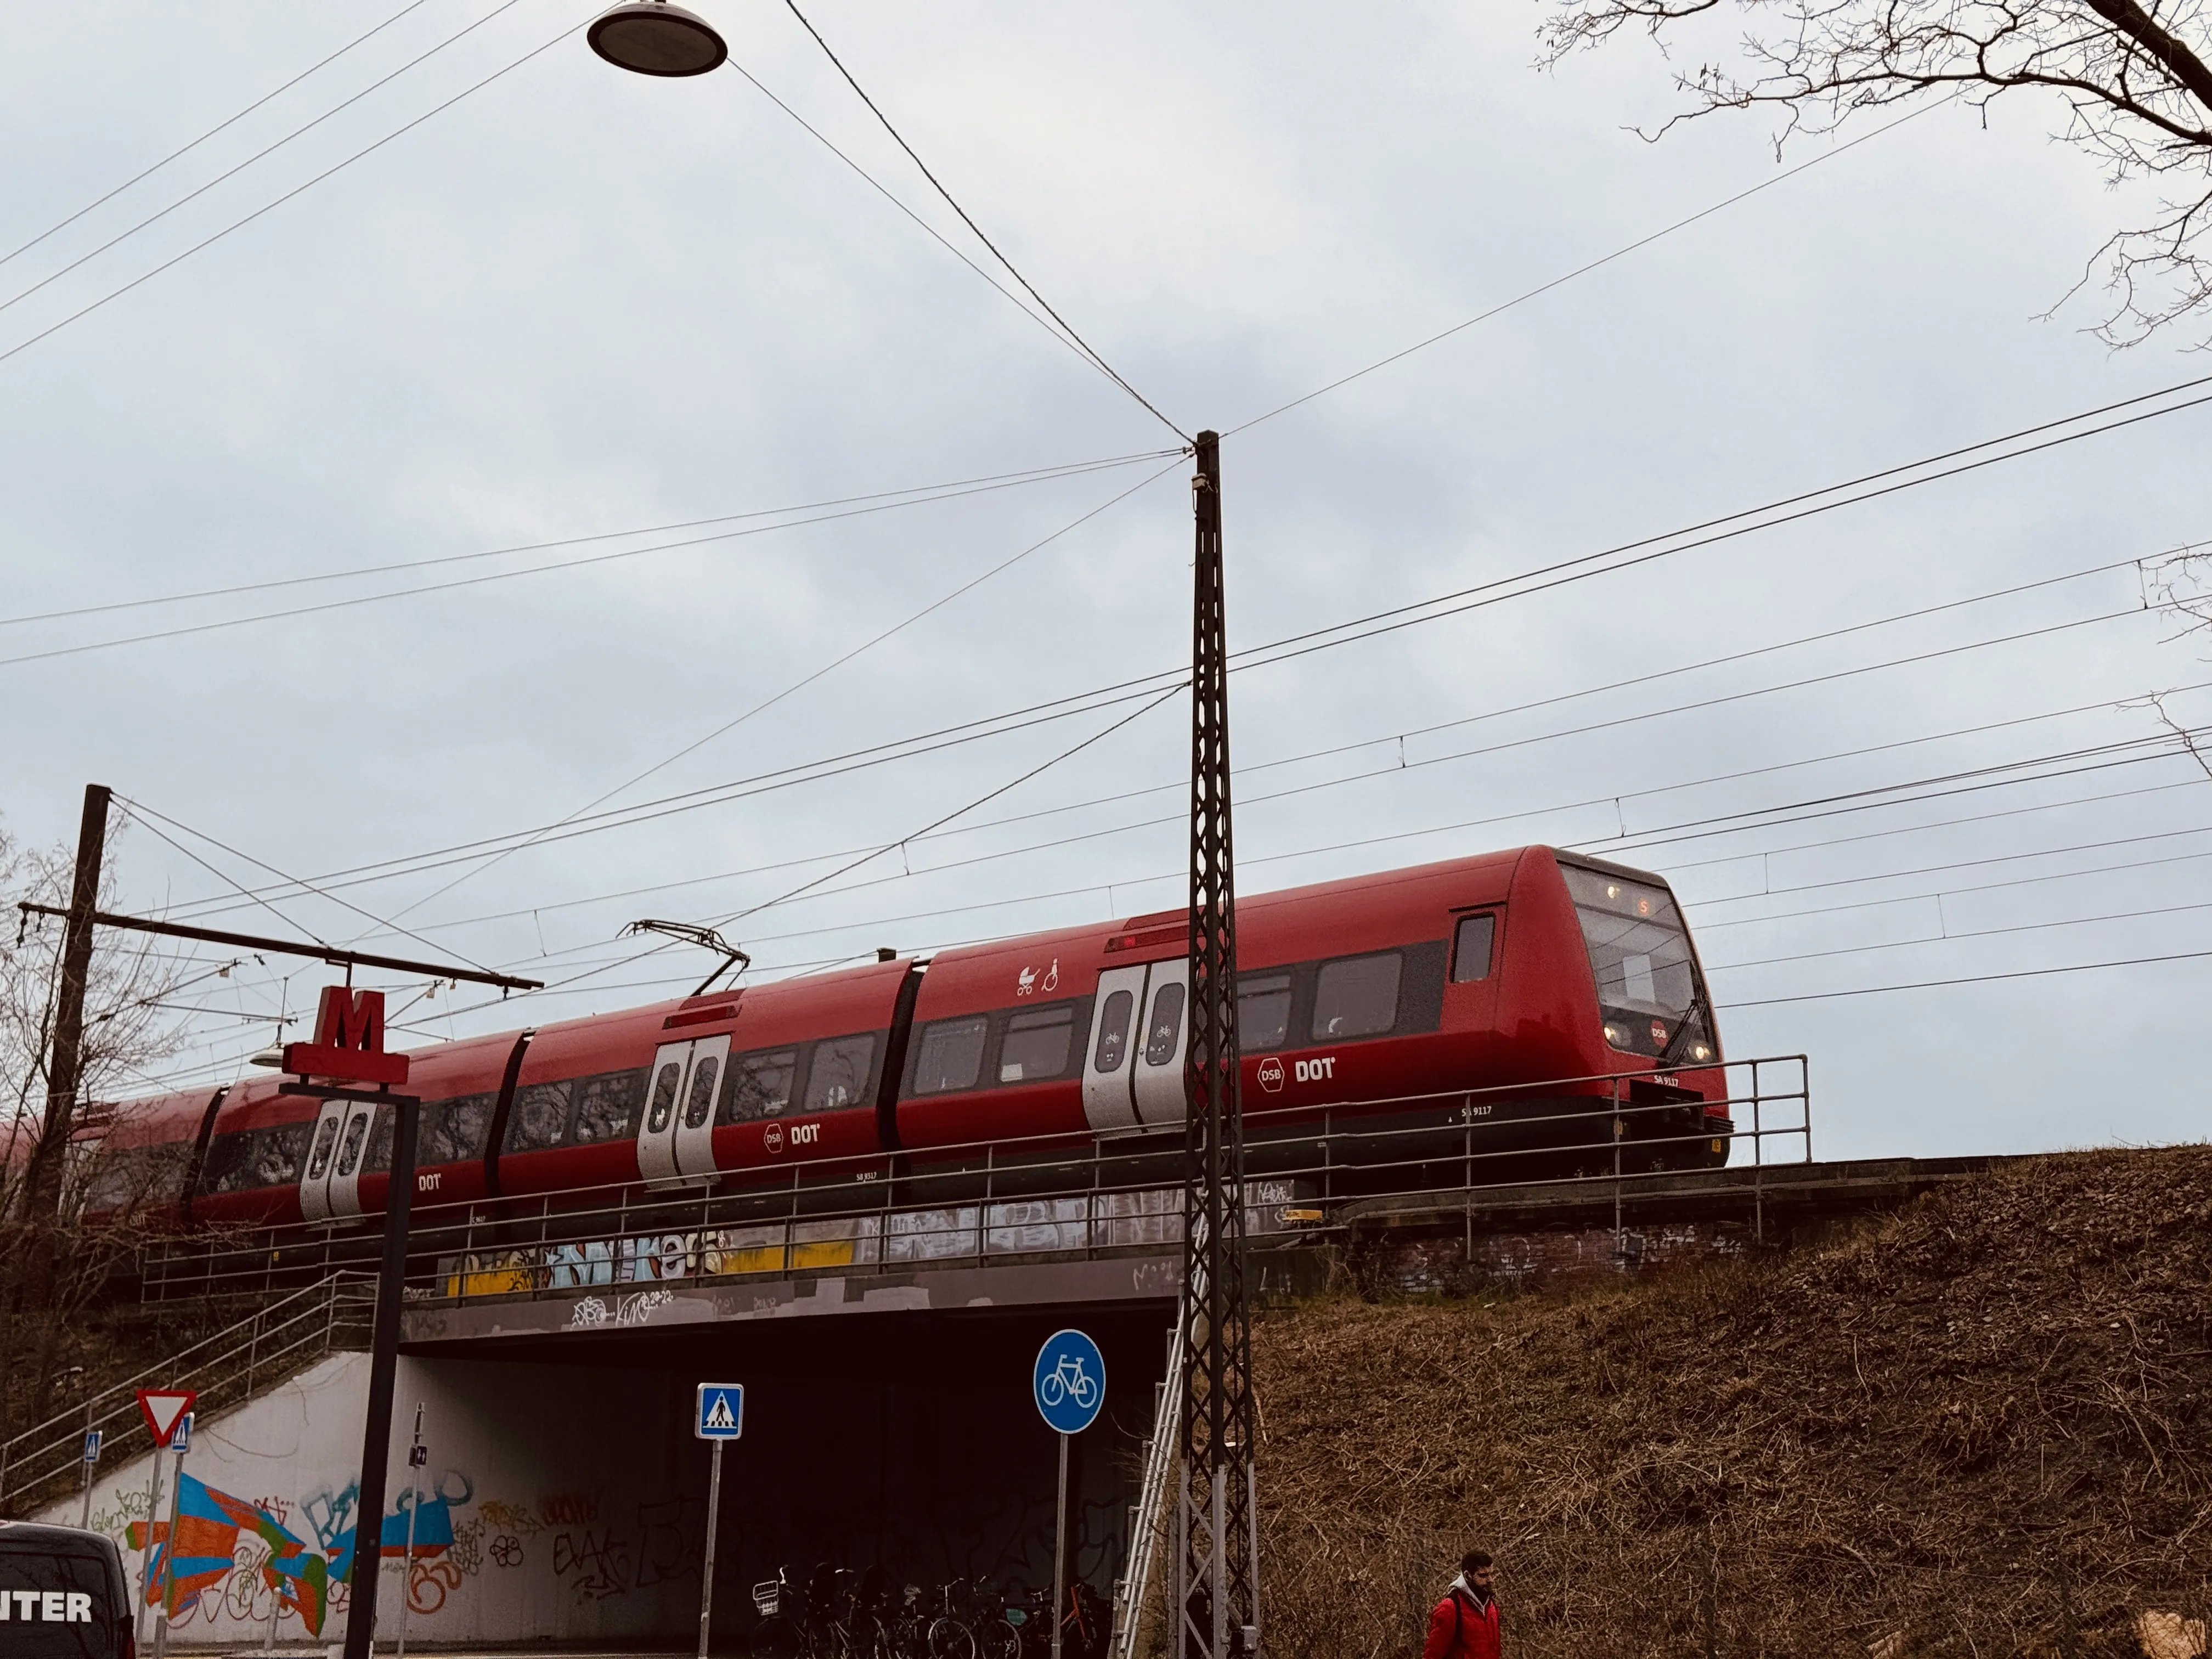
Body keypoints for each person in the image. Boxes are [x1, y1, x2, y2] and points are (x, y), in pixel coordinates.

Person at [1421, 1549, 1499, 1659]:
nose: (1490, 1580)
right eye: (1483, 1576)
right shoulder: (1450, 1608)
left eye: (1491, 1574)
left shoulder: (1490, 1605)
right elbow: (1433, 1654)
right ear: (1468, 1576)